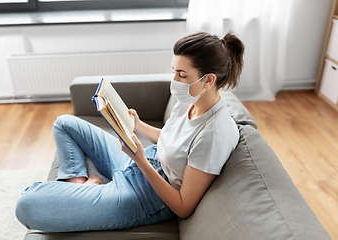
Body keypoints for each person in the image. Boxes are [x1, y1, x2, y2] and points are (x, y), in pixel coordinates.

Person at [15, 31, 245, 232]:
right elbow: (172, 142)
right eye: (174, 71)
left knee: (26, 204)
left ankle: (88, 187)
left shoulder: (214, 134)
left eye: (182, 75)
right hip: (143, 163)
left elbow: (183, 206)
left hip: (146, 198)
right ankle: (83, 186)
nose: (173, 80)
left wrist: (140, 159)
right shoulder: (191, 99)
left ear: (208, 80)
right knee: (65, 123)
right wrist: (138, 126)